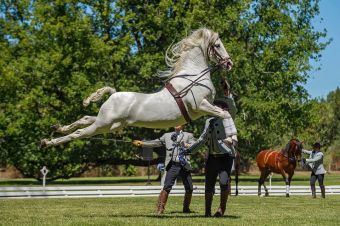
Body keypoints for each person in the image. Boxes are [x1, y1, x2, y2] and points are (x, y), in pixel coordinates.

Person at [187, 93, 238, 217]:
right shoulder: (208, 121)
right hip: (212, 157)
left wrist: (227, 94)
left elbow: (232, 107)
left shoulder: (227, 117)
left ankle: (221, 209)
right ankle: (207, 211)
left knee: (224, 182)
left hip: (226, 157)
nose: (213, 109)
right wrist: (189, 150)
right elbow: (202, 139)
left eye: (216, 107)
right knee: (208, 184)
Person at [132, 125, 195, 214]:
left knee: (190, 188)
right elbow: (156, 142)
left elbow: (195, 146)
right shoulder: (167, 135)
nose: (177, 124)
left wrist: (187, 145)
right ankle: (160, 208)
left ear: (184, 125)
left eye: (180, 122)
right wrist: (142, 143)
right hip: (172, 165)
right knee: (167, 186)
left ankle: (186, 208)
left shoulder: (189, 135)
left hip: (184, 165)